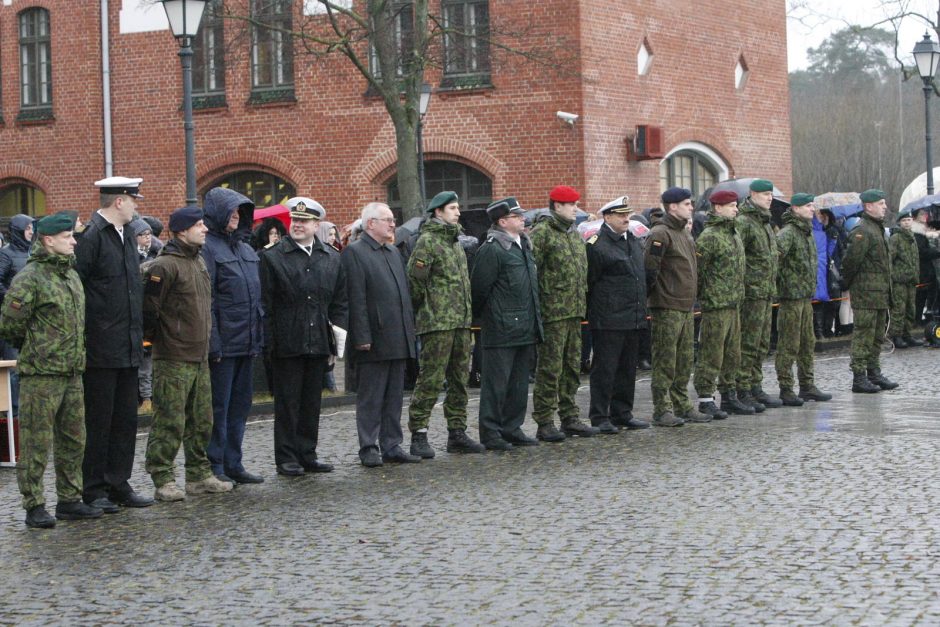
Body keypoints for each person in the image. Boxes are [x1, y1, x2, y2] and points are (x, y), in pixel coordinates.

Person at [0, 212, 103, 528]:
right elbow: (9, 325)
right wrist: (38, 348)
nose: (74, 241)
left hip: (72, 372)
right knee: (35, 443)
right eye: (67, 237)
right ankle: (34, 505)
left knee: (74, 440)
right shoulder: (29, 278)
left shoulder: (70, 275)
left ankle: (70, 501)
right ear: (48, 240)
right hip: (41, 375)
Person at [142, 206, 234, 500]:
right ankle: (163, 477)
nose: (205, 229)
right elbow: (149, 313)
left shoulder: (199, 262)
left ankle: (198, 474)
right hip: (172, 357)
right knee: (169, 420)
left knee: (201, 420)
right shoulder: (164, 266)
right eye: (198, 225)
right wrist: (166, 339)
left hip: (199, 356)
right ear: (182, 231)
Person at [74, 177, 152, 512]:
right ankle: (94, 488)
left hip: (127, 344)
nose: (137, 206)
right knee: (100, 421)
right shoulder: (92, 237)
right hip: (101, 347)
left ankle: (119, 483)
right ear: (119, 201)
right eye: (134, 200)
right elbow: (79, 290)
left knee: (125, 421)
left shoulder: (126, 236)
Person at [261, 197, 348, 475]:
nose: (297, 225)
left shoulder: (331, 257)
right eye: (294, 220)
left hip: (319, 340)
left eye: (304, 221)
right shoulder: (273, 257)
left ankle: (307, 453)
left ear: (316, 225)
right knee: (288, 403)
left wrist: (337, 337)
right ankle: (286, 457)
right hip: (287, 340)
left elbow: (339, 302)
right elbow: (266, 304)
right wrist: (270, 343)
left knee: (312, 401)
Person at [406, 191, 485, 458]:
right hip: (437, 323)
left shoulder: (455, 244)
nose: (458, 212)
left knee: (459, 380)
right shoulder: (427, 242)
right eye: (452, 208)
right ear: (438, 212)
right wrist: (429, 309)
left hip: (460, 322)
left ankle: (457, 432)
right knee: (430, 379)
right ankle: (419, 433)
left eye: (457, 208)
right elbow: (415, 283)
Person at [341, 202, 419, 467]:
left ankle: (392, 443)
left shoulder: (393, 252)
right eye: (387, 219)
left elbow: (403, 296)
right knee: (372, 397)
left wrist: (410, 332)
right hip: (373, 338)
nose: (393, 224)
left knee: (394, 396)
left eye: (393, 219)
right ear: (370, 223)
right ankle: (369, 445)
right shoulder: (355, 253)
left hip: (398, 336)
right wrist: (361, 335)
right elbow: (356, 298)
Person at [201, 187, 266, 484]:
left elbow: (256, 299)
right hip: (224, 345)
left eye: (240, 212)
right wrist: (214, 343)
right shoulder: (208, 248)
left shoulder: (246, 249)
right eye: (231, 211)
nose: (236, 217)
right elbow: (209, 300)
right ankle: (215, 464)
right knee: (219, 407)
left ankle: (234, 462)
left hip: (247, 342)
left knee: (240, 406)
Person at [471, 197, 543, 450]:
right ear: (502, 222)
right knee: (496, 385)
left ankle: (512, 428)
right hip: (501, 327)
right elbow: (479, 289)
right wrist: (493, 317)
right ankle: (491, 432)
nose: (523, 219)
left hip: (525, 325)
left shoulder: (522, 245)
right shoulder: (493, 248)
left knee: (519, 384)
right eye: (516, 216)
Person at [528, 185, 598, 440]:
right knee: (550, 368)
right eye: (572, 205)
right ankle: (545, 420)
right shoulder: (542, 233)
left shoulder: (573, 233)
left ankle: (570, 416)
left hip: (574, 311)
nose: (576, 209)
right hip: (553, 313)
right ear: (557, 206)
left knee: (571, 367)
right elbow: (532, 273)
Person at [644, 187, 710, 426]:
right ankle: (662, 409)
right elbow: (650, 270)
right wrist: (659, 297)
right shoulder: (661, 233)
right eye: (686, 204)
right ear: (672, 207)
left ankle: (682, 404)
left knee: (684, 359)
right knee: (665, 359)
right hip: (667, 306)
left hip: (685, 306)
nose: (691, 207)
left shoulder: (684, 233)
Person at [585, 196, 651, 432]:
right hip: (608, 318)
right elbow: (590, 281)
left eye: (628, 214)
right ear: (607, 217)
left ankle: (622, 412)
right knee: (605, 369)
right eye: (621, 215)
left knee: (627, 368)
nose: (626, 218)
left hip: (632, 316)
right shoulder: (598, 244)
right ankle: (600, 416)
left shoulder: (632, 240)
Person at [692, 190, 752, 418]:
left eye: (736, 205)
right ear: (718, 208)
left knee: (732, 353)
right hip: (716, 304)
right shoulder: (709, 237)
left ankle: (729, 395)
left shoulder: (734, 234)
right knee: (712, 352)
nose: (736, 209)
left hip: (734, 302)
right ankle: (706, 398)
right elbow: (699, 271)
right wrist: (704, 297)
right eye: (731, 206)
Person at [774, 194, 833, 405]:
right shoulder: (788, 233)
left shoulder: (807, 232)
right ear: (796, 209)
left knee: (807, 343)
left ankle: (807, 385)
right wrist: (782, 284)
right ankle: (786, 388)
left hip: (805, 296)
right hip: (790, 297)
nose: (812, 209)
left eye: (812, 206)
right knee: (789, 344)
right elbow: (775, 260)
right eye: (808, 206)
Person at [841, 189, 899, 393]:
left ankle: (874, 372)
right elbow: (850, 261)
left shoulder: (877, 229)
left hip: (881, 293)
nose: (885, 206)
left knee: (877, 337)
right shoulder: (862, 230)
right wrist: (845, 283)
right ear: (868, 206)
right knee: (863, 336)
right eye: (881, 203)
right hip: (866, 294)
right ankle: (859, 377)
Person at [735, 179, 781, 412]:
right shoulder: (744, 222)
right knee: (748, 343)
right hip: (751, 294)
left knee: (762, 343)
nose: (769, 198)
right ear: (752, 194)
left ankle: (755, 385)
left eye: (770, 194)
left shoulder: (764, 222)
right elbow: (738, 258)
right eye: (764, 194)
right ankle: (741, 388)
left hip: (765, 292)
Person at [0, 214, 34, 418]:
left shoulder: (34, 252)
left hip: (30, 319)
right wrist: (15, 300)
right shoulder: (5, 254)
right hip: (11, 318)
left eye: (32, 228)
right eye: (28, 228)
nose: (31, 231)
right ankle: (14, 413)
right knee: (13, 365)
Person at [130, 218, 158, 414]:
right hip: (138, 315)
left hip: (151, 313)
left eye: (149, 234)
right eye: (143, 234)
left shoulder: (156, 254)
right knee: (143, 362)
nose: (147, 237)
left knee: (149, 361)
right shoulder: (131, 257)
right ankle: (144, 397)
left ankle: (149, 396)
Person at [888, 206, 925, 348]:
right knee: (899, 308)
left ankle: (907, 334)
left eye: (909, 220)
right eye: (904, 220)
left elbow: (915, 258)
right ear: (899, 223)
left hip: (911, 279)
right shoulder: (896, 238)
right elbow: (890, 258)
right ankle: (896, 335)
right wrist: (893, 276)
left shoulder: (912, 237)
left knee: (911, 308)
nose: (907, 223)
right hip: (899, 280)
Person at [912, 207, 940, 330]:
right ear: (915, 217)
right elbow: (922, 252)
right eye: (921, 214)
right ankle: (917, 320)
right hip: (922, 269)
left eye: (925, 214)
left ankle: (926, 318)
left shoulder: (924, 231)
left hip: (928, 269)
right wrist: (936, 251)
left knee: (929, 295)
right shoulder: (916, 232)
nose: (925, 216)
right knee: (920, 297)